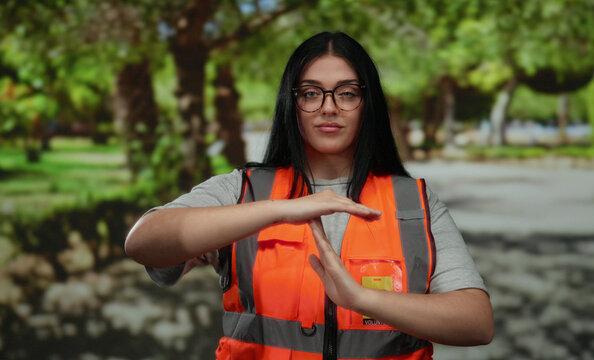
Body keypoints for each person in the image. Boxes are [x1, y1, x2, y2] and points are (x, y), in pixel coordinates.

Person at [125, 31, 493, 359]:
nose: (328, 107)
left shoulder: (414, 202)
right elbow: (143, 242)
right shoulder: (241, 190)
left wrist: (363, 299)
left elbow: (477, 323)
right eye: (311, 93)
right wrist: (280, 210)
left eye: (347, 93)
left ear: (368, 104)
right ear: (292, 102)